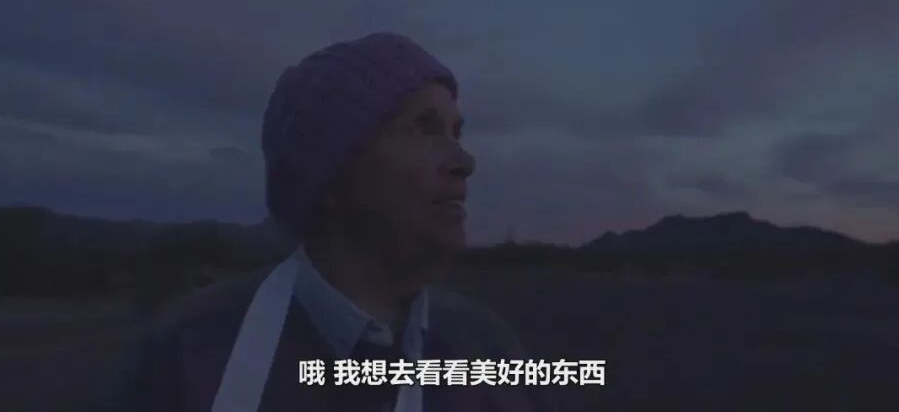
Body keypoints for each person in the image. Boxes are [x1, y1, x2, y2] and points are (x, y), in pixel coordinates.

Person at [93, 32, 557, 412]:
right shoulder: (186, 354)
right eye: (424, 127)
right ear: (331, 177)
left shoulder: (486, 347)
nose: (464, 161)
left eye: (456, 132)